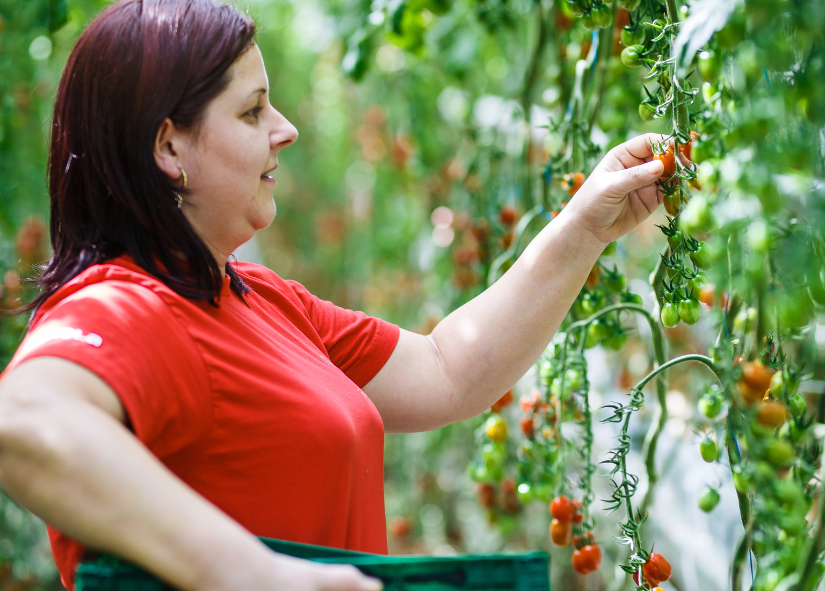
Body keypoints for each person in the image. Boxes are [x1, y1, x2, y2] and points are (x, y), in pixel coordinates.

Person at [0, 0, 667, 589]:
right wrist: (252, 574)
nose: (283, 128)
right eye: (252, 109)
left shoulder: (258, 297)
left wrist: (584, 227)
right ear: (169, 147)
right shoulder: (126, 307)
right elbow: (22, 425)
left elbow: (447, 370)